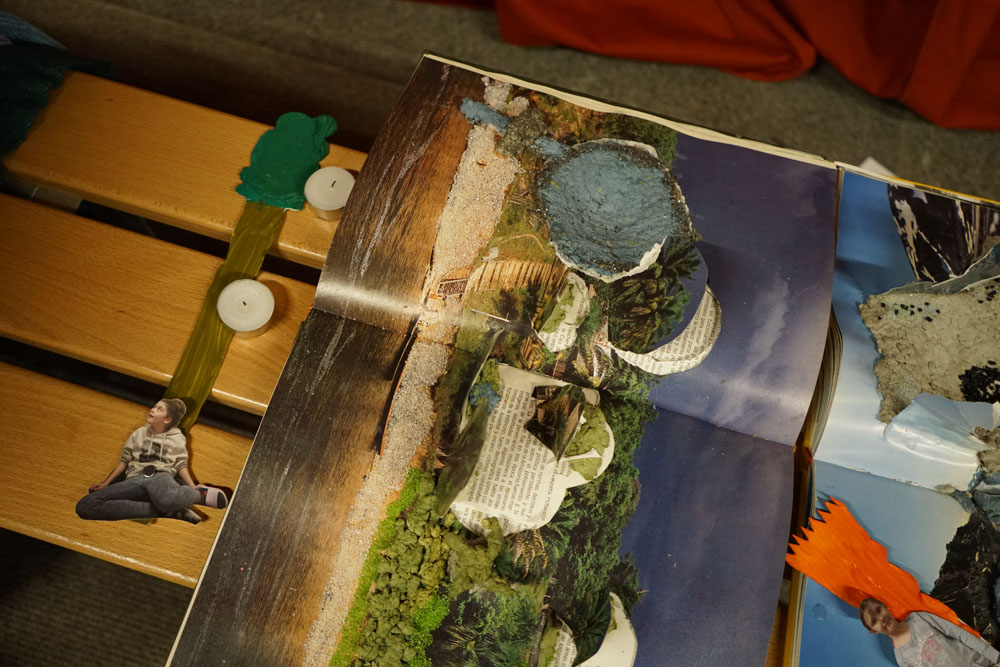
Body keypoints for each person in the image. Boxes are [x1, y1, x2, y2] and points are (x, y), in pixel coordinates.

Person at [76, 398, 228, 524]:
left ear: (167, 419)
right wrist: (105, 483)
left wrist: (193, 486)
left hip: (159, 476)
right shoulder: (139, 433)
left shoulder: (176, 437)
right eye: (154, 407)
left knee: (165, 500)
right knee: (85, 507)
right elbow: (124, 461)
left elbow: (180, 464)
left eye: (159, 409)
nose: (153, 410)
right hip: (134, 479)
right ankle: (168, 512)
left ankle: (199, 496)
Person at [859, 597, 1000, 666]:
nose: (881, 618)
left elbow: (959, 633)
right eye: (874, 621)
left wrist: (995, 657)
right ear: (873, 631)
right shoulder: (902, 659)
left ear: (885, 606)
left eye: (879, 610)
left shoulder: (918, 618)